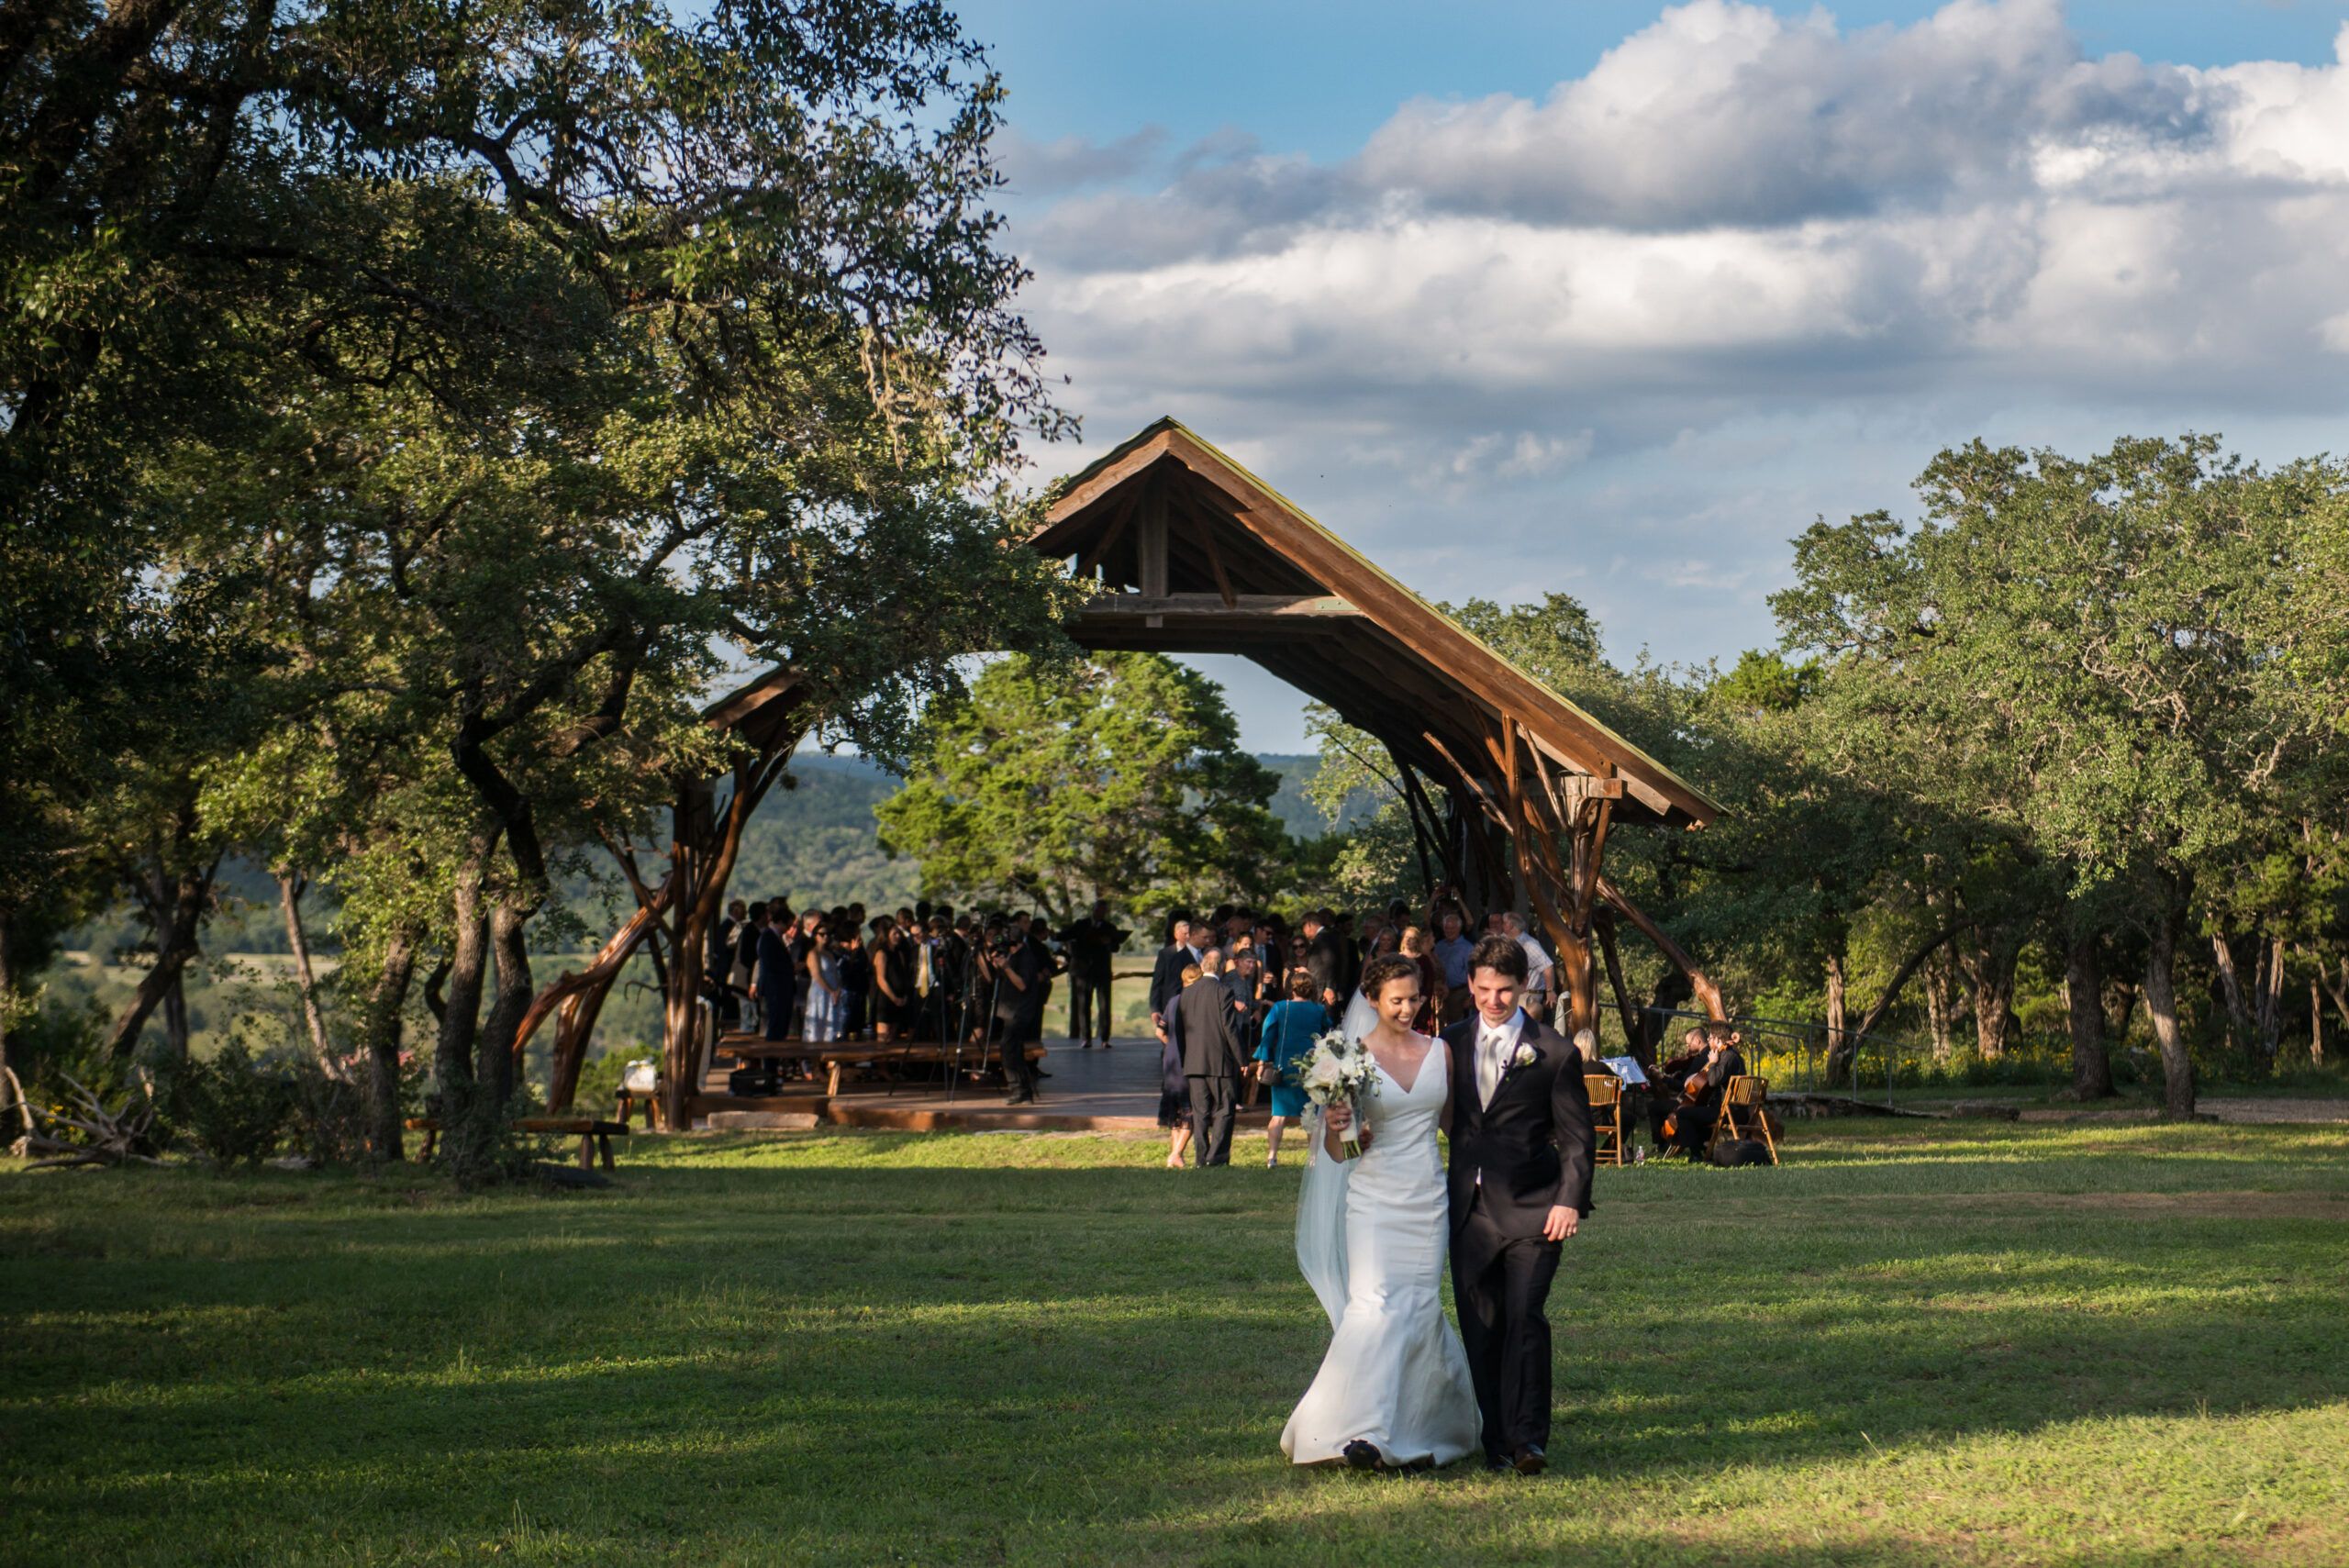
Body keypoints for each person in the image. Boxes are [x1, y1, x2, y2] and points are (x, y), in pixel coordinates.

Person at [1281, 952, 1480, 1470]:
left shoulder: (1441, 1051)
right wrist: (1344, 1132)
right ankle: (1360, 1432)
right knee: (1374, 1305)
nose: (1408, 1008)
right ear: (1372, 1000)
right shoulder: (1346, 1057)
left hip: (1427, 1197)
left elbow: (1456, 1128)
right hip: (1373, 1200)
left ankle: (1420, 1427)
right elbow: (1340, 1153)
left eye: (1415, 998)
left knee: (1416, 1305)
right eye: (1397, 1000)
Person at [1439, 934, 1594, 1474]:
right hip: (1467, 1211)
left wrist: (1570, 1201)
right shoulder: (1449, 1044)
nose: (1494, 1000)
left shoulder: (1553, 1051)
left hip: (1535, 1209)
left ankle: (1529, 1441)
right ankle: (1497, 1441)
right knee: (1482, 1325)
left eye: (1504, 990)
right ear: (1471, 985)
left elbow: (1577, 1138)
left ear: (1523, 986)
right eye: (1483, 989)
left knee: (1526, 1317)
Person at [1175, 951, 1246, 1167]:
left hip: (1194, 1061)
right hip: (1220, 1061)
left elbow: (1179, 1030)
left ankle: (1200, 1158)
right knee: (1225, 1109)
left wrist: (1185, 1057)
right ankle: (1216, 1157)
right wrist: (1242, 1059)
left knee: (1200, 1113)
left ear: (1202, 965)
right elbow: (1229, 1028)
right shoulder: (1223, 991)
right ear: (1222, 967)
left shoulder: (1186, 993)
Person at [1252, 970, 1327, 1167]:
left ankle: (1272, 1156)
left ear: (1292, 988)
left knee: (1278, 1115)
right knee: (1311, 1114)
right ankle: (1313, 1159)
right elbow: (1327, 1034)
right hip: (1311, 1066)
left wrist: (1262, 1062)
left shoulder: (1279, 1008)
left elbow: (1267, 1035)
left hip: (1283, 1065)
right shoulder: (1319, 1010)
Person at [1654, 1025, 1747, 1157]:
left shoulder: (1728, 1057)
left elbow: (1714, 1081)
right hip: (1731, 1110)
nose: (1708, 1041)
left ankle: (1696, 1154)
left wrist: (1713, 1062)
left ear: (1718, 1039)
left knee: (1683, 1113)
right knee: (1695, 1111)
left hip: (1731, 1112)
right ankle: (1700, 1148)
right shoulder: (1729, 1055)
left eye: (1710, 1038)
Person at [1058, 899, 1127, 1049]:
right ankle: (1086, 1038)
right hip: (1083, 971)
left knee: (1104, 1006)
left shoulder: (1110, 927)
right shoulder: (1081, 925)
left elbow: (1115, 947)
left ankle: (1104, 1038)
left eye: (1103, 911)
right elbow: (1066, 935)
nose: (1100, 914)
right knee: (1083, 1005)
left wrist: (1108, 941)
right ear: (1093, 910)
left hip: (1102, 971)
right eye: (1098, 910)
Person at [1158, 964, 1199, 1169]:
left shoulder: (1173, 1001)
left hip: (1170, 1063)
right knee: (1190, 1111)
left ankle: (1176, 1155)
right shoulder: (1192, 1004)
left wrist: (1171, 1045)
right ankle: (1176, 1153)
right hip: (1187, 1063)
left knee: (1174, 1113)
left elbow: (1160, 1032)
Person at [1148, 915, 1200, 1044]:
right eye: (1184, 933)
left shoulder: (1198, 953)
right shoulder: (1165, 954)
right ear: (1176, 934)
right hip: (1169, 1003)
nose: (1187, 936)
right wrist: (1155, 1008)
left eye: (1190, 933)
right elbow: (1157, 982)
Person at [751, 901, 796, 1046]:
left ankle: (776, 1055)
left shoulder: (774, 937)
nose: (789, 929)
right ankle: (771, 1057)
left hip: (780, 987)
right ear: (781, 923)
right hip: (775, 988)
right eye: (788, 925)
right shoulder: (768, 938)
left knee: (781, 1024)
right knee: (775, 1024)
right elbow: (770, 963)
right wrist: (791, 968)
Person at [1503, 912, 1555, 1027]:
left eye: (1503, 923)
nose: (1501, 926)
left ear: (1510, 926)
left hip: (1528, 996)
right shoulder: (1505, 941)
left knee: (1524, 1029)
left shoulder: (1530, 945)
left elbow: (1547, 966)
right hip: (1511, 994)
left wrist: (1550, 991)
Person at [801, 920, 844, 1043]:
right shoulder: (813, 953)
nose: (826, 936)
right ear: (816, 936)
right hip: (820, 992)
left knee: (831, 1022)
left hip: (833, 991)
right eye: (822, 934)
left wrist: (838, 989)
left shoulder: (829, 954)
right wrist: (831, 991)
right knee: (818, 1021)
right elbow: (816, 975)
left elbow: (836, 973)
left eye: (827, 934)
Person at [1431, 908, 1475, 1025]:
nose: (1449, 931)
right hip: (1439, 995)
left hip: (1459, 994)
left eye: (1452, 928)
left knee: (1456, 1027)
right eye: (1447, 928)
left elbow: (1473, 973)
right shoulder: (1439, 946)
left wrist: (1471, 997)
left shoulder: (1468, 948)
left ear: (1459, 929)